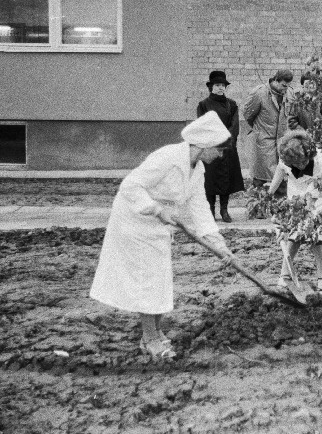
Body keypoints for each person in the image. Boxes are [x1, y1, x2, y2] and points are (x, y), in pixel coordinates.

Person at [90, 111, 235, 359]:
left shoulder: (197, 168)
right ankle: (149, 339)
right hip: (135, 222)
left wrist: (218, 242)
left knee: (160, 277)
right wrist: (157, 209)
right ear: (204, 145)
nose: (220, 156)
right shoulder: (167, 157)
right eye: (219, 150)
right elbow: (130, 185)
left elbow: (199, 206)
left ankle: (156, 332)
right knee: (149, 279)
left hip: (158, 226)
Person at [268, 130, 322, 294]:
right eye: (295, 163)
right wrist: (269, 194)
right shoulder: (288, 155)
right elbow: (281, 169)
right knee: (294, 233)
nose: (298, 166)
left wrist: (308, 207)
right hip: (297, 191)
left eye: (301, 162)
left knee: (317, 234)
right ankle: (285, 275)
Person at [196, 70, 246, 222]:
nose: (220, 88)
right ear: (211, 87)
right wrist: (213, 141)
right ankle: (210, 211)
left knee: (226, 180)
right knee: (210, 181)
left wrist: (226, 140)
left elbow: (234, 125)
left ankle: (224, 210)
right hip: (210, 148)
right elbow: (202, 125)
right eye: (217, 85)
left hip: (227, 147)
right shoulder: (203, 105)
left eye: (223, 85)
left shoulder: (231, 105)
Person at [243, 69, 298, 197]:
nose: (286, 88)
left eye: (288, 85)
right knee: (261, 177)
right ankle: (259, 209)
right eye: (284, 85)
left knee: (283, 174)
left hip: (282, 142)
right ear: (275, 80)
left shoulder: (289, 93)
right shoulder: (260, 93)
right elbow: (248, 114)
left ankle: (279, 209)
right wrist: (260, 131)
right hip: (263, 142)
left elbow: (292, 115)